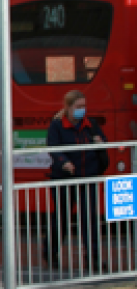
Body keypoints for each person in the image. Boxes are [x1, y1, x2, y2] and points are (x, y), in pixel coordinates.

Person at [44, 89, 106, 270]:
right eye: (79, 106)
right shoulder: (57, 125)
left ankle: (92, 257)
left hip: (88, 176)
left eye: (84, 106)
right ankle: (51, 253)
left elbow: (103, 140)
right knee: (62, 217)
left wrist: (100, 141)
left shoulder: (91, 124)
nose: (83, 110)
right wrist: (64, 162)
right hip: (64, 178)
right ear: (69, 108)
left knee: (89, 218)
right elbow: (53, 147)